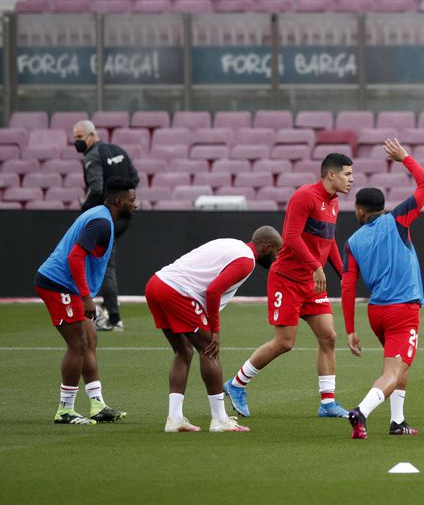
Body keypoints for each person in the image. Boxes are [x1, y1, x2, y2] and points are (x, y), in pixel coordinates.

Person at [225, 152, 354, 418]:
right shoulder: (304, 196)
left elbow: (328, 242)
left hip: (312, 281)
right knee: (285, 342)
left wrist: (344, 273)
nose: (351, 180)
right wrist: (316, 266)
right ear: (331, 174)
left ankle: (327, 403)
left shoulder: (334, 204)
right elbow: (291, 237)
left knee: (328, 337)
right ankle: (236, 384)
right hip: (287, 279)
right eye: (347, 174)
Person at [147, 227, 281, 433]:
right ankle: (219, 419)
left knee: (183, 351)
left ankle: (174, 419)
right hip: (176, 292)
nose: (277, 257)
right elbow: (213, 291)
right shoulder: (246, 261)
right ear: (267, 247)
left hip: (156, 284)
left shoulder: (233, 244)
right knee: (209, 350)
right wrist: (215, 331)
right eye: (276, 252)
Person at [344, 140, 424, 440]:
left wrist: (350, 330)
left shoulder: (353, 241)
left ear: (359, 210)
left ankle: (398, 422)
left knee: (397, 365)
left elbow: (347, 286)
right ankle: (361, 412)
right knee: (393, 371)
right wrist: (405, 158)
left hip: (376, 312)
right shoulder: (397, 221)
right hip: (403, 310)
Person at [33, 178, 137, 425]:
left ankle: (97, 404)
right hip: (57, 285)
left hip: (67, 286)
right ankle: (65, 410)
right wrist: (86, 297)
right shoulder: (101, 222)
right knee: (78, 343)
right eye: (132, 200)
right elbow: (76, 256)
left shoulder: (101, 216)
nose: (135, 205)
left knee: (90, 338)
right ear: (119, 201)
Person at [73, 119, 140, 333]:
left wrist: (86, 212)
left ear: (91, 136)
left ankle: (113, 318)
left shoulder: (93, 155)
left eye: (79, 137)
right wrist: (124, 202)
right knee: (103, 263)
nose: (77, 142)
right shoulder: (117, 150)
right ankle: (106, 309)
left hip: (106, 217)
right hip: (124, 217)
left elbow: (96, 188)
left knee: (103, 266)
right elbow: (135, 179)